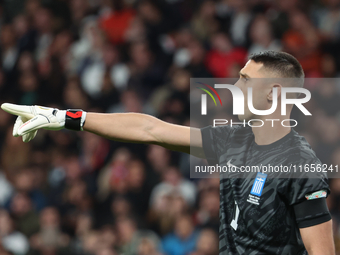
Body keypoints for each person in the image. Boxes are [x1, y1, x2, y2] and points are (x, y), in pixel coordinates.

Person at [1, 51, 335, 254]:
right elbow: (151, 129)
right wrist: (68, 118)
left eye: (245, 80)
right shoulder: (234, 139)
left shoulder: (300, 166)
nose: (234, 88)